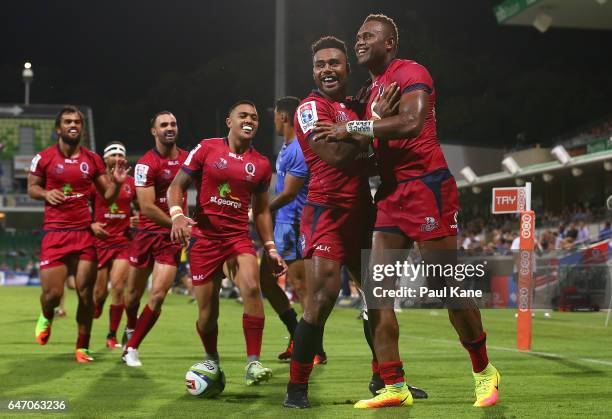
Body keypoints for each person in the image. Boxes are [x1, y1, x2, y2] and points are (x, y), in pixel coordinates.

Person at [314, 14, 500, 408]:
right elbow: (367, 131)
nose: (360, 42)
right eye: (359, 36)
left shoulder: (410, 71)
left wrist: (357, 127)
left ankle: (484, 371)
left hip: (428, 187)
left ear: (390, 44)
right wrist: (364, 121)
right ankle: (394, 385)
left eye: (368, 36)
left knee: (445, 285)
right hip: (392, 193)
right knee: (377, 293)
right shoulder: (369, 90)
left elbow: (413, 122)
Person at [283, 36, 390, 409]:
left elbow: (369, 150)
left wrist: (360, 129)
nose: (327, 69)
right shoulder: (310, 108)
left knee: (377, 299)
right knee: (323, 298)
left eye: (335, 63)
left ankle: (386, 380)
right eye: (320, 65)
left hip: (363, 211)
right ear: (314, 72)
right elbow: (333, 155)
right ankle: (296, 389)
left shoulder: (355, 107)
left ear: (347, 68)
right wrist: (371, 128)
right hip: (326, 211)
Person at [168, 100, 287, 385]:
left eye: (255, 117)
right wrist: (177, 216)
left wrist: (270, 247)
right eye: (243, 115)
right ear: (229, 121)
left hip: (237, 239)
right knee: (207, 315)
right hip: (204, 239)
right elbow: (177, 186)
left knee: (251, 286)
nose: (250, 120)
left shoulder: (260, 165)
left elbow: (260, 211)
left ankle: (252, 363)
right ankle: (211, 359)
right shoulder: (207, 148)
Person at [29, 105, 128, 363]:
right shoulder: (44, 158)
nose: (74, 125)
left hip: (84, 234)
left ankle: (82, 346)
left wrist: (117, 183)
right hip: (55, 233)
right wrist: (45, 193)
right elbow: (32, 188)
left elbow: (106, 195)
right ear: (58, 128)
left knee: (86, 294)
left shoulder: (92, 160)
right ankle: (47, 315)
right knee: (51, 295)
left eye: (78, 122)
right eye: (68, 121)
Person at [258, 96, 324, 362]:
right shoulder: (286, 148)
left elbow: (289, 193)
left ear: (283, 117)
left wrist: (261, 210)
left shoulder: (297, 148)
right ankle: (298, 334)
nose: (272, 120)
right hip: (282, 225)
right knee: (266, 281)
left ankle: (314, 349)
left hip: (295, 224)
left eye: (274, 115)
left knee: (301, 287)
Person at [121, 111, 188, 367]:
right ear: (154, 131)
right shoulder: (145, 164)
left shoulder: (187, 160)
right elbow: (146, 207)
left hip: (169, 239)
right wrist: (179, 222)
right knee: (132, 296)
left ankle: (132, 347)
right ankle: (130, 327)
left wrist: (185, 224)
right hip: (146, 235)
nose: (170, 127)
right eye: (164, 125)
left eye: (173, 123)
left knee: (158, 295)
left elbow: (184, 198)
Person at [90, 141, 137, 349]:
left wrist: (137, 218)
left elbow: (142, 207)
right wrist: (90, 224)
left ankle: (111, 335)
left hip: (123, 242)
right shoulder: (95, 183)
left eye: (121, 155)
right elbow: (82, 207)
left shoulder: (132, 183)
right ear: (105, 159)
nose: (117, 158)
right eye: (113, 155)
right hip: (100, 243)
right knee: (99, 294)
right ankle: (98, 304)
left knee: (118, 287)